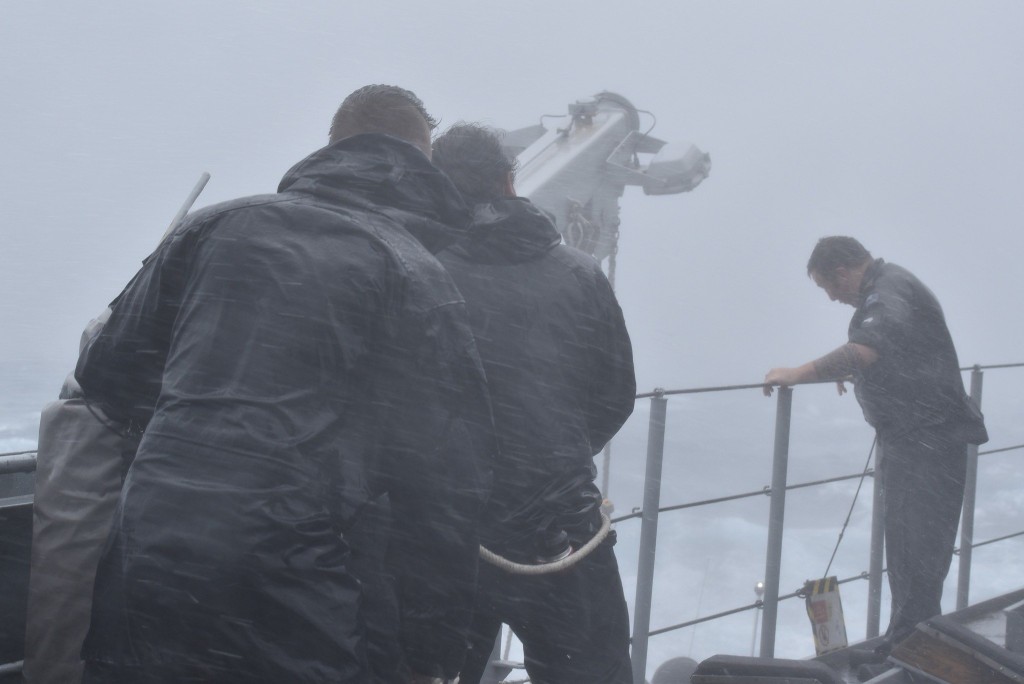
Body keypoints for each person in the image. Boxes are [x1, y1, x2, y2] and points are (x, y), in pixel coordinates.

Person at [74, 85, 495, 684]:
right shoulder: (416, 275)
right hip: (294, 566)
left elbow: (107, 372)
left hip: (154, 547)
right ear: (422, 162)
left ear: (330, 146)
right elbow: (445, 485)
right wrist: (433, 651)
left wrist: (196, 435)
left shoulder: (213, 225)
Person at [431, 123, 636, 684]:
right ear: (508, 178)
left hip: (446, 532)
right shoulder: (581, 274)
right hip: (563, 529)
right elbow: (615, 396)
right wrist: (551, 455)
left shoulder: (419, 271)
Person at [764, 236, 987, 652]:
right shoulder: (893, 284)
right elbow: (895, 351)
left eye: (828, 287)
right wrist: (865, 377)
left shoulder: (886, 293)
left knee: (914, 552)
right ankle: (914, 643)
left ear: (844, 272)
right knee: (915, 550)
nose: (831, 297)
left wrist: (798, 373)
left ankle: (911, 652)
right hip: (926, 437)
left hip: (926, 441)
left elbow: (865, 349)